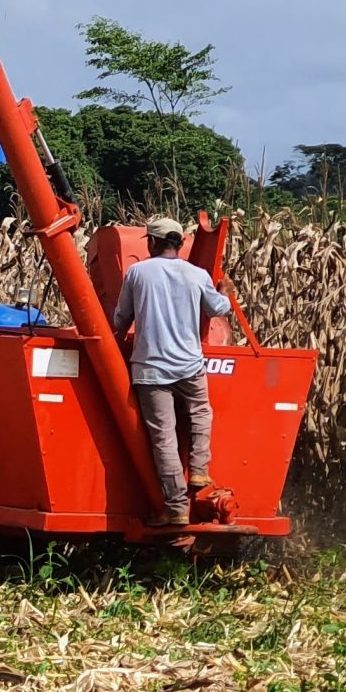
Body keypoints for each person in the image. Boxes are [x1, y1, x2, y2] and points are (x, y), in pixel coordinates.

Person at [110, 215, 232, 526]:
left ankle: (176, 508)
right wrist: (225, 292)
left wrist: (116, 338)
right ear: (178, 243)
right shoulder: (196, 275)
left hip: (150, 370)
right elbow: (218, 309)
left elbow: (121, 319)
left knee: (163, 439)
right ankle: (200, 470)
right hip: (189, 365)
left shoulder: (137, 273)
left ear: (152, 242)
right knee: (201, 413)